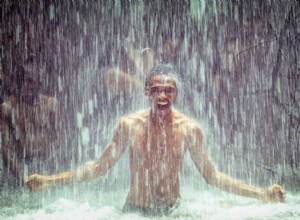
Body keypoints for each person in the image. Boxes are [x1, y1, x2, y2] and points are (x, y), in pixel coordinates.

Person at [25, 64, 285, 216]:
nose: (163, 95)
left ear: (176, 94)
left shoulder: (189, 130)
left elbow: (213, 176)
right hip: (134, 212)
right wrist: (49, 181)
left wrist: (261, 194)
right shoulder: (129, 126)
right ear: (147, 92)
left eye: (169, 90)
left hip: (174, 212)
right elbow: (98, 167)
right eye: (157, 90)